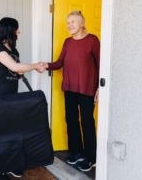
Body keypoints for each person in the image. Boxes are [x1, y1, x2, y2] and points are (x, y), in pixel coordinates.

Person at [40, 10, 100, 172]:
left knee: (87, 122)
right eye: (68, 22)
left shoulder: (92, 40)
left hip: (87, 88)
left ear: (82, 23)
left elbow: (102, 65)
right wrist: (45, 65)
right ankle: (76, 152)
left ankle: (91, 157)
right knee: (71, 120)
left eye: (73, 22)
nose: (69, 25)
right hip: (70, 88)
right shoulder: (68, 42)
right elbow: (59, 63)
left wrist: (99, 89)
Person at [0, 17, 43, 179]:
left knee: (13, 131)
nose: (19, 32)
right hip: (0, 96)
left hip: (13, 96)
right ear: (9, 30)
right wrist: (35, 65)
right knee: (1, 134)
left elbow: (18, 71)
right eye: (16, 29)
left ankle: (11, 165)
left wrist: (31, 68)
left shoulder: (13, 49)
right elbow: (14, 67)